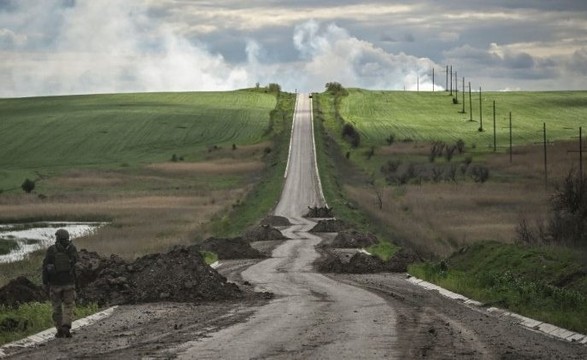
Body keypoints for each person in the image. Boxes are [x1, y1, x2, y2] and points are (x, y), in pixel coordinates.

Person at [42, 229, 78, 338]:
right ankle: (66, 326)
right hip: (69, 283)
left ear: (57, 237)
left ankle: (59, 330)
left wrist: (45, 282)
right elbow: (76, 262)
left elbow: (45, 266)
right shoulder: (72, 248)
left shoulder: (51, 250)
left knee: (56, 307)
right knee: (68, 305)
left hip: (55, 284)